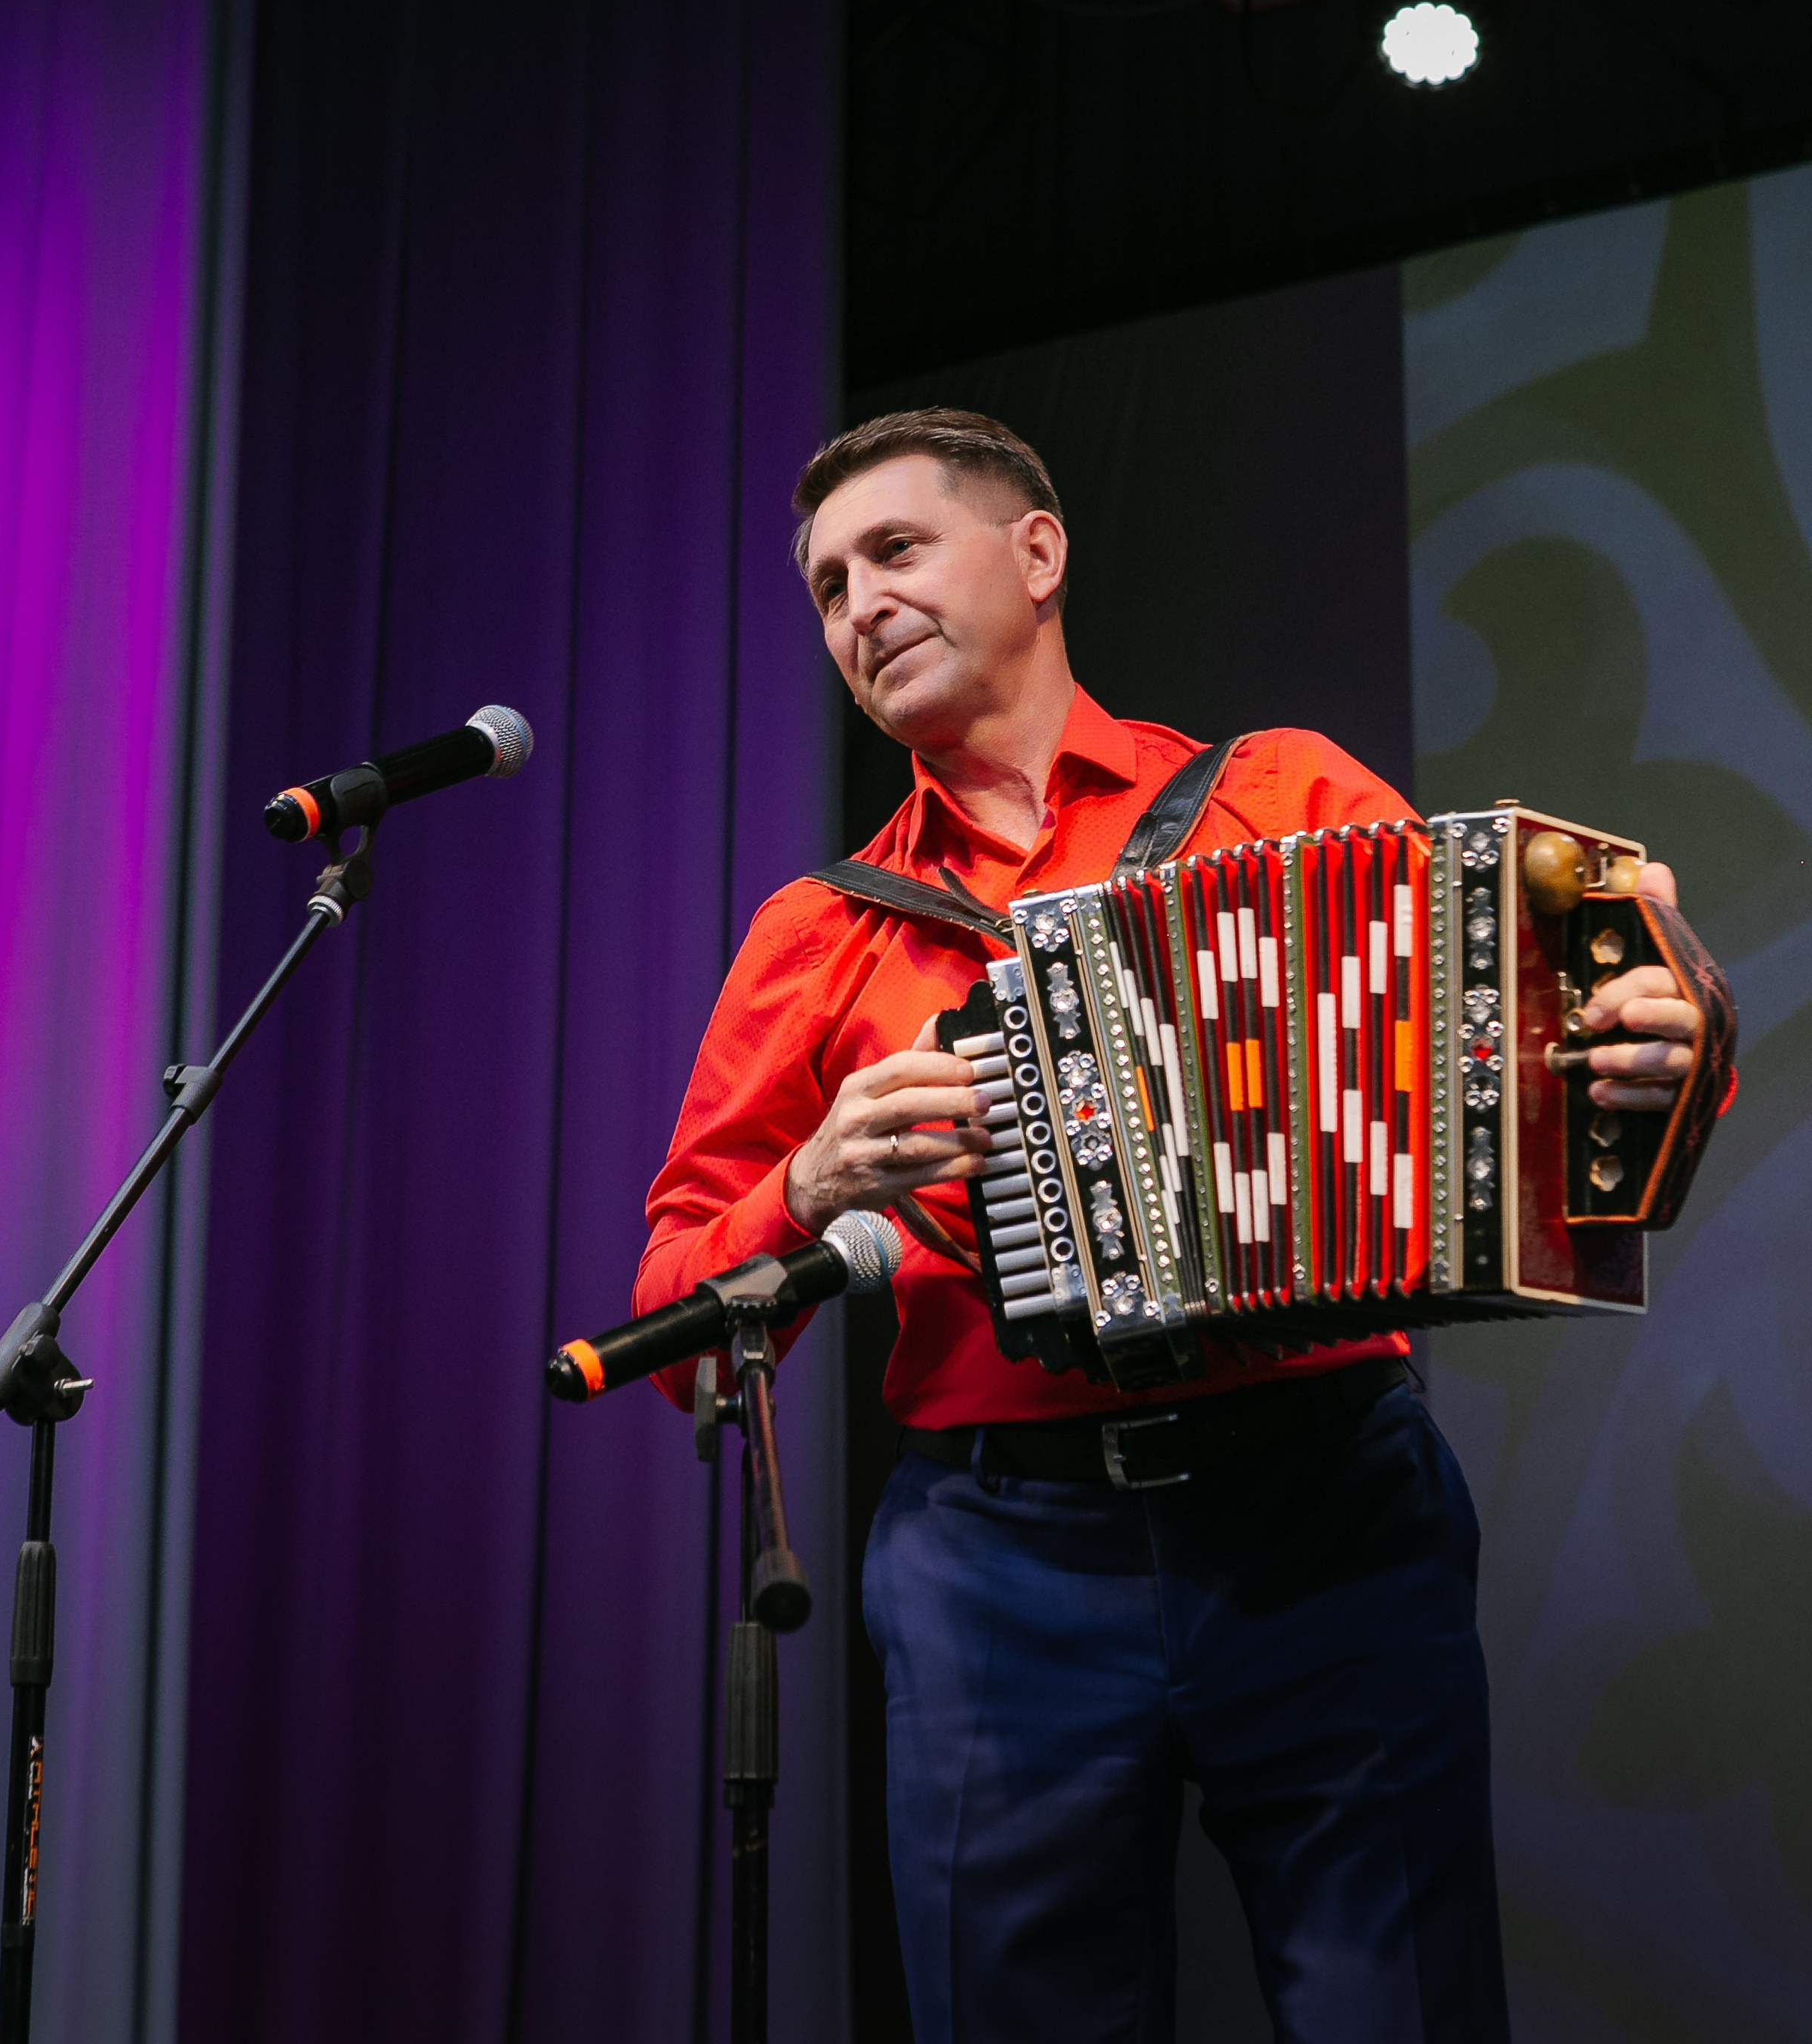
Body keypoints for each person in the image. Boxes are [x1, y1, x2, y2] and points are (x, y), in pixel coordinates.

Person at [636, 408, 1713, 2044]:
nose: (858, 604)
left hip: (1324, 1512)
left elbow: (1498, 1068)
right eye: (826, 585)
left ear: (1037, 554)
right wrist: (807, 1186)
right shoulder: (819, 936)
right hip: (1000, 1569)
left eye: (896, 551)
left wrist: (1647, 1030)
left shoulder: (1275, 796)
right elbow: (672, 1322)